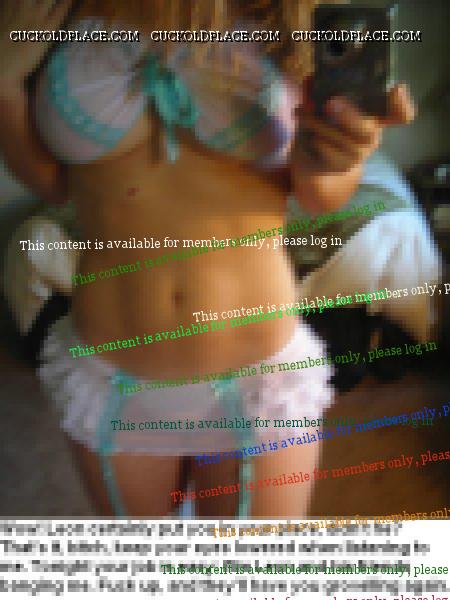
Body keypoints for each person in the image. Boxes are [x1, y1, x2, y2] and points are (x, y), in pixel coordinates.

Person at [0, 0, 414, 518]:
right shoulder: (47, 11)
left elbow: (319, 195)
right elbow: (56, 184)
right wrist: (5, 89)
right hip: (110, 378)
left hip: (257, 383)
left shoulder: (288, 13)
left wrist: (338, 158)